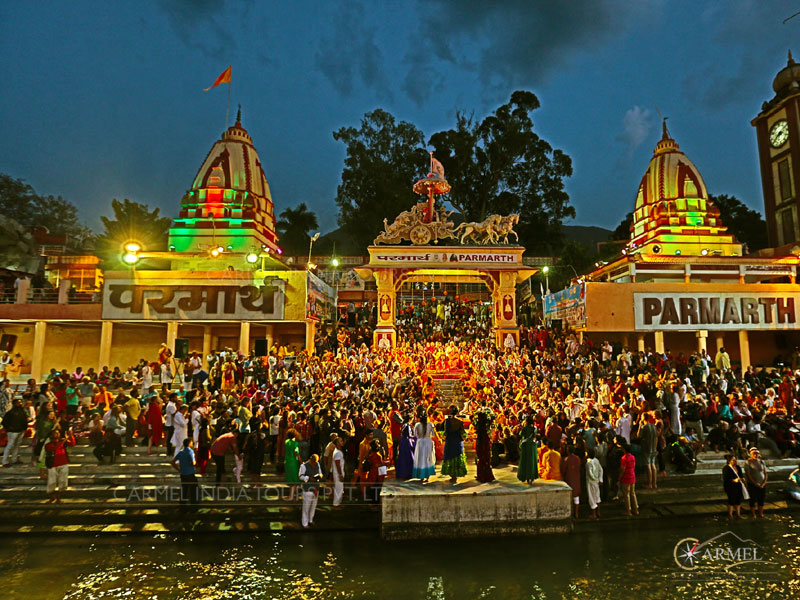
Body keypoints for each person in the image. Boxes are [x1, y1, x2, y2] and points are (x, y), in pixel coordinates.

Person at [44, 427, 76, 503]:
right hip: (52, 464)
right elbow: (56, 447)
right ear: (51, 435)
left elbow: (72, 443)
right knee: (51, 482)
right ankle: (52, 497)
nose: (57, 434)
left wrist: (71, 436)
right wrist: (65, 439)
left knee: (63, 481)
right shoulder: (48, 445)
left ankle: (58, 497)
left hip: (63, 463)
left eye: (58, 432)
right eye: (55, 433)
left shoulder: (62, 441)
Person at [440, 405, 467, 484]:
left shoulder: (446, 421)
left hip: (449, 442)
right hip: (458, 443)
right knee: (457, 458)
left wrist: (442, 438)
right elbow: (463, 433)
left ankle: (452, 475)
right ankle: (455, 475)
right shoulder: (460, 422)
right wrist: (464, 438)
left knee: (450, 458)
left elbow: (444, 433)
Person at [171, 438, 199, 507]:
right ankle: (193, 505)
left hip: (183, 474)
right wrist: (195, 462)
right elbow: (193, 462)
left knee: (184, 490)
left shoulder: (181, 452)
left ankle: (182, 505)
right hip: (190, 474)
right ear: (189, 444)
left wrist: (178, 469)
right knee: (193, 489)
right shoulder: (190, 451)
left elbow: (173, 462)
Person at [299, 453, 323, 527]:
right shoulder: (303, 466)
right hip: (307, 488)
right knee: (306, 507)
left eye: (316, 462)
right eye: (313, 461)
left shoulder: (317, 464)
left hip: (316, 487)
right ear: (310, 459)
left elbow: (320, 473)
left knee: (313, 505)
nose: (314, 463)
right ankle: (305, 523)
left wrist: (319, 476)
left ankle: (311, 519)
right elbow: (300, 476)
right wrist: (308, 478)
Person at [412, 407, 436, 482]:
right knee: (428, 458)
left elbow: (415, 435)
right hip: (428, 442)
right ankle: (427, 476)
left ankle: (421, 476)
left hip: (420, 442)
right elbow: (434, 434)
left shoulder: (417, 425)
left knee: (421, 458)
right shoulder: (430, 424)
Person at [2, 397, 28, 466]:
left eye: (20, 402)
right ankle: (4, 461)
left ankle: (14, 459)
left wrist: (24, 428)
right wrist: (9, 427)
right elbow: (4, 422)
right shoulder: (10, 413)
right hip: (12, 432)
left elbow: (25, 420)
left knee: (17, 445)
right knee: (10, 445)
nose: (20, 404)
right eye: (18, 402)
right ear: (14, 404)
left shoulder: (22, 412)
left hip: (20, 430)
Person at [744, 447, 767, 518]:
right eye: (754, 453)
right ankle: (753, 514)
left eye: (757, 453)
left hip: (762, 484)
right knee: (753, 499)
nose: (755, 455)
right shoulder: (748, 462)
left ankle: (760, 513)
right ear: (751, 454)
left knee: (761, 499)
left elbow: (765, 473)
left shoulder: (762, 461)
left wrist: (764, 483)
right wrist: (755, 483)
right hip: (753, 484)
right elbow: (748, 474)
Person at [516, 414, 538, 484]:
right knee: (532, 461)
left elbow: (520, 434)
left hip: (525, 446)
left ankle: (525, 477)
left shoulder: (524, 429)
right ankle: (531, 477)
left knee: (525, 461)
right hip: (532, 446)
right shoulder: (534, 429)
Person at [474, 411, 495, 483]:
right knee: (486, 458)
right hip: (486, 441)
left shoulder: (478, 423)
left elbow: (475, 427)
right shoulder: (487, 423)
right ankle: (488, 475)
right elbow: (492, 417)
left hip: (480, 441)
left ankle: (481, 475)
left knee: (480, 458)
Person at [723, 453, 746, 519]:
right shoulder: (726, 468)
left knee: (738, 500)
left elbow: (741, 475)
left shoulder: (738, 467)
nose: (735, 461)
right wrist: (733, 480)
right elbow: (726, 478)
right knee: (731, 500)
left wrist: (742, 478)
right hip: (730, 486)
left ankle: (738, 514)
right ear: (729, 461)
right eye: (733, 460)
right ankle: (730, 515)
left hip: (738, 485)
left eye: (736, 460)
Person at [562, 445, 581, 518]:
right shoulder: (578, 458)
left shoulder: (567, 459)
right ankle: (576, 513)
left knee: (570, 497)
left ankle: (571, 513)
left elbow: (564, 470)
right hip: (576, 478)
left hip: (569, 479)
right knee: (576, 498)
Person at [619, 443, 638, 516]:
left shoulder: (624, 458)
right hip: (632, 476)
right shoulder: (633, 457)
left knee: (626, 495)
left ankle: (628, 511)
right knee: (632, 493)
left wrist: (619, 478)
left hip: (626, 478)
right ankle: (635, 509)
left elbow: (622, 469)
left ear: (624, 450)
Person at [586, 447, 603, 519]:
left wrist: (595, 479)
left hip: (591, 482)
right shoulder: (596, 460)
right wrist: (600, 479)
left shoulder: (588, 463)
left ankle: (594, 514)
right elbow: (601, 470)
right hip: (596, 481)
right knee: (597, 496)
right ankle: (598, 512)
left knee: (592, 497)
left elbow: (590, 474)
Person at [284, 429, 301, 501]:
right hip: (293, 462)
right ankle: (292, 496)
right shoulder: (295, 443)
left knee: (291, 478)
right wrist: (301, 461)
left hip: (287, 462)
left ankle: (293, 495)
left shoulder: (286, 442)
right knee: (295, 479)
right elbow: (296, 453)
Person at [331, 436, 345, 507]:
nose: (342, 442)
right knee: (338, 489)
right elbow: (337, 464)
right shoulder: (337, 453)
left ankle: (338, 503)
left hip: (338, 473)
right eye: (341, 441)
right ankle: (336, 504)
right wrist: (340, 475)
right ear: (337, 443)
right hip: (337, 473)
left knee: (339, 488)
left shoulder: (338, 452)